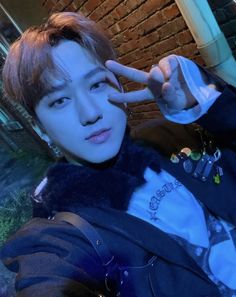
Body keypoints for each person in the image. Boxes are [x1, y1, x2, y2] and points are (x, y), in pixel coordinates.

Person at [0, 11, 236, 297]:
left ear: (120, 85)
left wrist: (208, 105)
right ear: (41, 129)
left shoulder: (171, 135)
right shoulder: (65, 235)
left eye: (97, 84)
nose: (90, 113)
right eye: (60, 100)